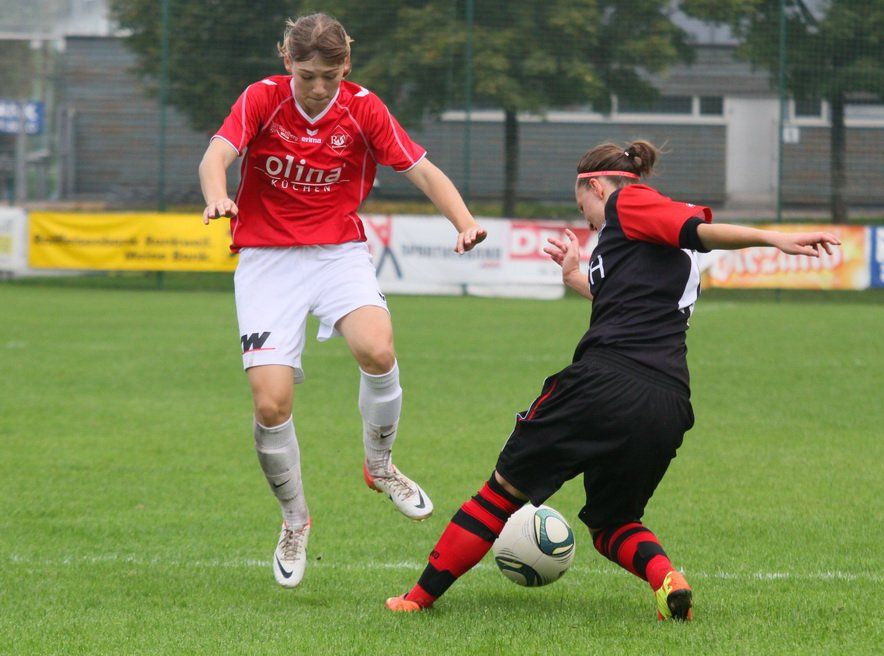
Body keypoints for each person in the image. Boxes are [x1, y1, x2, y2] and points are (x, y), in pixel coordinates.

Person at [385, 140, 840, 620]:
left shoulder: (628, 201)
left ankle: (416, 599)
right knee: (612, 524)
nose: (584, 219)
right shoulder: (646, 243)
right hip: (666, 401)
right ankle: (668, 580)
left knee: (500, 494)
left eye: (581, 203)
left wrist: (774, 239)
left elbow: (700, 231)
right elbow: (623, 299)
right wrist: (573, 276)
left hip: (604, 382)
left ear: (597, 186)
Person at [198, 12, 486, 590]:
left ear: (345, 67)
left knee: (378, 349)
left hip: (337, 254)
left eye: (330, 76)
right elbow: (215, 157)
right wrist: (217, 197)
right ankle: (295, 520)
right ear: (288, 62)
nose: (318, 87)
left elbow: (423, 171)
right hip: (267, 261)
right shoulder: (261, 98)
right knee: (271, 405)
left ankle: (380, 466)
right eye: (307, 75)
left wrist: (465, 222)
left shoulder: (363, 108)